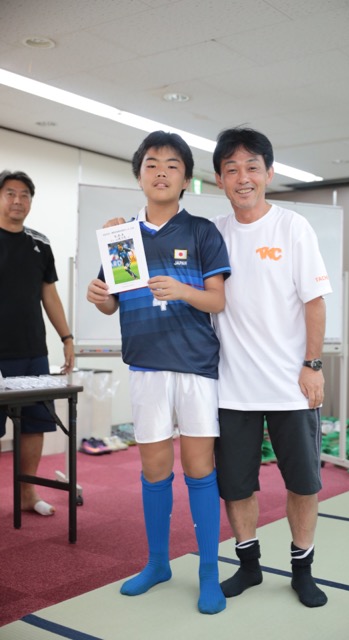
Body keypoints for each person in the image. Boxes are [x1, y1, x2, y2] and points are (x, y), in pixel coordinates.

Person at [86, 131, 230, 615]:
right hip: (146, 365)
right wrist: (100, 298)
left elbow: (217, 300)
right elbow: (112, 303)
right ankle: (157, 563)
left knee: (200, 469)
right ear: (139, 175)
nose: (161, 172)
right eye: (151, 164)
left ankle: (208, 571)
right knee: (153, 470)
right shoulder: (120, 236)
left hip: (195, 366)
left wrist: (182, 290)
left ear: (186, 179)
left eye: (172, 165)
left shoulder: (202, 232)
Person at [211, 127, 332, 608]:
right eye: (232, 169)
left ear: (269, 173)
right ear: (219, 179)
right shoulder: (213, 233)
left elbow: (315, 302)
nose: (243, 177)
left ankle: (302, 570)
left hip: (290, 386)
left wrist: (312, 365)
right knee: (236, 485)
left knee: (303, 483)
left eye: (252, 167)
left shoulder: (292, 227)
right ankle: (249, 566)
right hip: (231, 387)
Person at [0, 170, 75, 516]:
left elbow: (49, 294)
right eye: (10, 193)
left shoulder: (40, 243)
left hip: (33, 351)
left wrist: (67, 338)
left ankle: (27, 494)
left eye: (25, 195)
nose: (18, 201)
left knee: (34, 425)